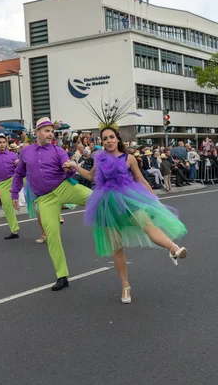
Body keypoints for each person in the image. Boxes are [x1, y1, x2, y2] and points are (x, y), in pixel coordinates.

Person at [65, 120, 187, 304]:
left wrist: (153, 199)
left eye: (111, 137)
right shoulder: (99, 158)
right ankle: (125, 286)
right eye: (104, 138)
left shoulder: (128, 158)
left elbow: (141, 180)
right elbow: (90, 176)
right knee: (117, 247)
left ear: (117, 138)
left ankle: (173, 248)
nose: (108, 141)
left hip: (129, 198)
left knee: (147, 224)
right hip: (106, 204)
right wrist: (74, 166)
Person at [10, 117, 92, 291]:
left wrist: (69, 169)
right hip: (45, 199)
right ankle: (62, 276)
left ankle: (128, 213)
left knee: (96, 198)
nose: (50, 134)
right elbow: (18, 174)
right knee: (52, 237)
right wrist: (14, 193)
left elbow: (67, 170)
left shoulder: (58, 150)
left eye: (52, 131)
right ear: (38, 132)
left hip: (64, 187)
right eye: (47, 131)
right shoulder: (26, 152)